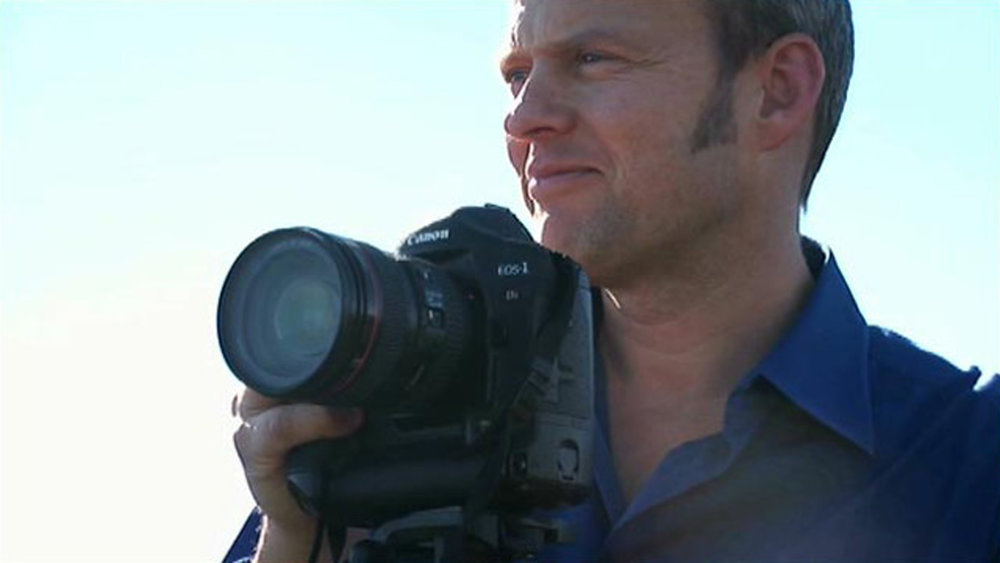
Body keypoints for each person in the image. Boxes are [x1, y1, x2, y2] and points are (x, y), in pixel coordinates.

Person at [226, 1, 1000, 561]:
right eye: (516, 74)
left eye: (592, 59)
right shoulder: (416, 402)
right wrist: (293, 540)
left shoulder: (971, 462)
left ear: (778, 91)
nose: (523, 119)